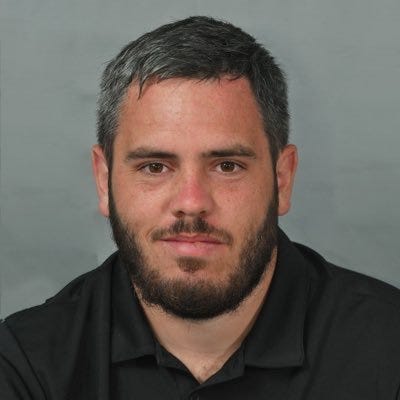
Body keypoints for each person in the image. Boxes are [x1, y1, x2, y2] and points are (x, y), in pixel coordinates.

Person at [1, 15, 399, 400]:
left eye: (227, 166)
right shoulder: (25, 366)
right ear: (104, 180)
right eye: (155, 167)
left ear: (282, 178)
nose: (191, 203)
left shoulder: (389, 350)